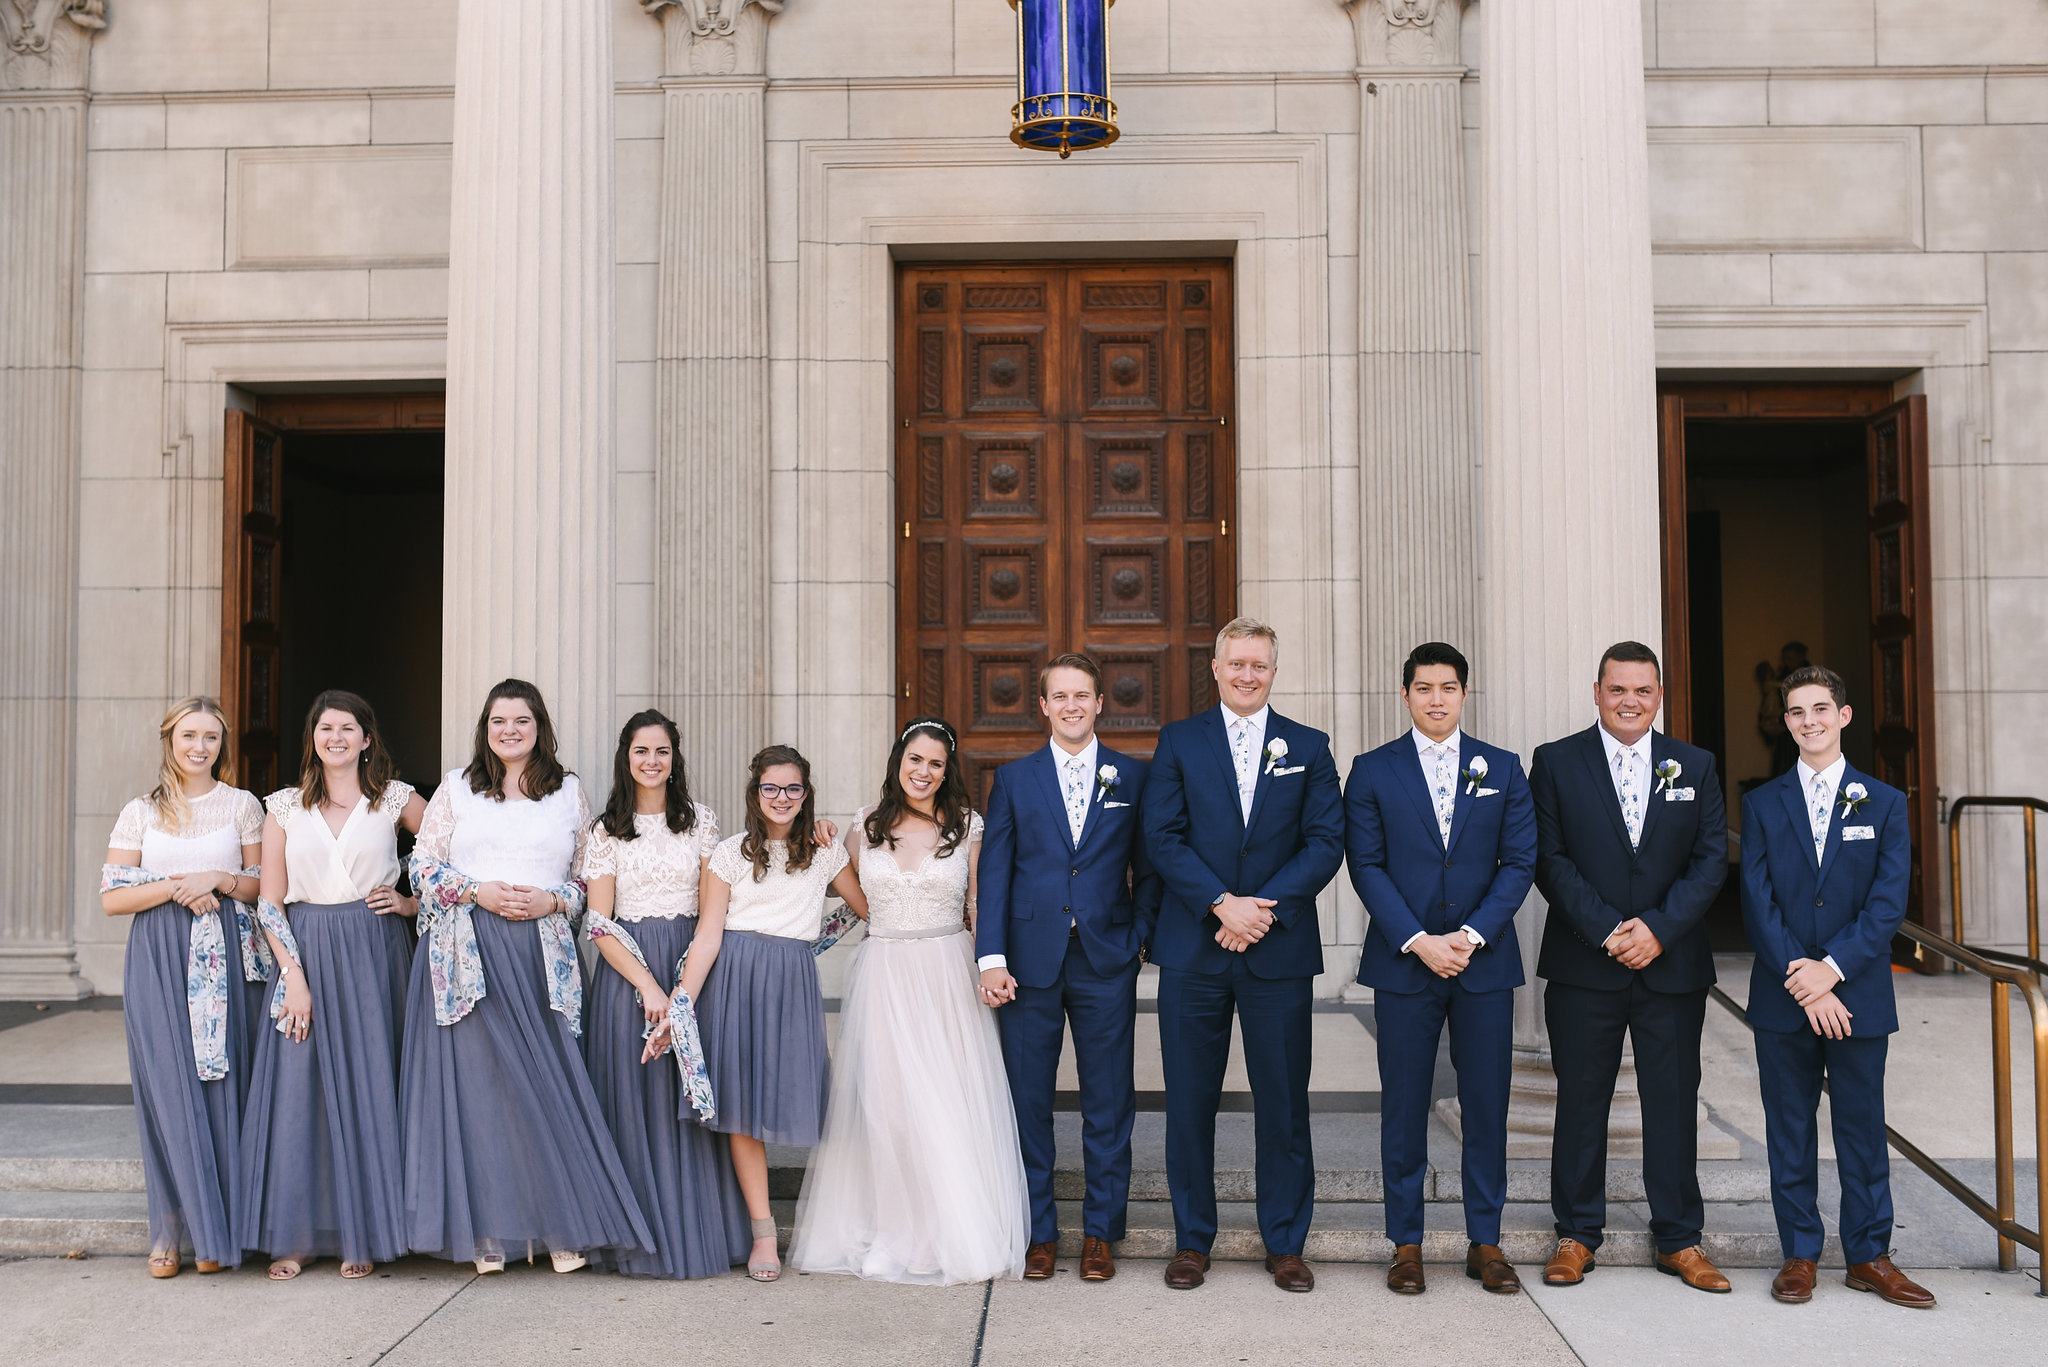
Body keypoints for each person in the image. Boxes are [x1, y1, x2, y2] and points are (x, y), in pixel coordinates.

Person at [400, 679, 653, 1275]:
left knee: (546, 1088)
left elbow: (590, 878)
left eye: (521, 720)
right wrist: (476, 890)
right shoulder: (457, 788)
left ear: (540, 726)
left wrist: (553, 902)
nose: (509, 730)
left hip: (543, 954)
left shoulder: (568, 792)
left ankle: (559, 1223)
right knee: (480, 1094)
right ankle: (488, 1230)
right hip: (467, 952)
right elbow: (423, 866)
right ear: (485, 728)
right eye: (498, 721)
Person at [1141, 618, 1344, 1293]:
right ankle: (1192, 1238)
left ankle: (1285, 1241)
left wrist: (1261, 909)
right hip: (1195, 948)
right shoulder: (1179, 741)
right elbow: (1162, 836)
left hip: (1277, 950)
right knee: (1190, 1101)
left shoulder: (1309, 747)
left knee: (1283, 1103)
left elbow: (1324, 841)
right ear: (1217, 668)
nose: (1247, 673)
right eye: (1237, 663)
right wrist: (1220, 902)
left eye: (1259, 664)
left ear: (1273, 670)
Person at [791, 717, 1029, 1284]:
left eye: (936, 763)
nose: (923, 772)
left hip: (945, 971)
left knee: (943, 1104)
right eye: (915, 760)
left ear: (948, 772)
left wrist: (991, 965)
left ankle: (944, 1232)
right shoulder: (863, 827)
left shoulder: (967, 826)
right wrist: (822, 844)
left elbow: (980, 902)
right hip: (884, 973)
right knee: (890, 1108)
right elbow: (848, 898)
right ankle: (897, 1228)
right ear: (898, 761)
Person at [1529, 644, 1729, 1293]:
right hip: (1586, 964)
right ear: (1597, 691)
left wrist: (1659, 930)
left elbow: (1708, 861)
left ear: (1659, 694)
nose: (1630, 700)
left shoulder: (1694, 764)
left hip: (1672, 968)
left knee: (1670, 1103)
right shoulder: (1556, 762)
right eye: (1618, 688)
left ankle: (1679, 1238)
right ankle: (1576, 1233)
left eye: (1643, 690)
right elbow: (1549, 859)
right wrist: (1611, 930)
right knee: (1580, 1102)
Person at [1740, 665, 1935, 1309]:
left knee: (1861, 1124)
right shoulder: (1762, 804)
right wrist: (1805, 979)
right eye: (1797, 712)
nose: (1810, 721)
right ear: (1786, 722)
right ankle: (1799, 1251)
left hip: (1857, 996)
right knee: (1788, 1125)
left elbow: (1887, 903)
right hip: (1784, 994)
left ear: (1843, 716)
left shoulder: (1883, 802)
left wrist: (1834, 972)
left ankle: (1869, 1255)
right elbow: (1758, 902)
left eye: (1821, 708)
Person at [1344, 642, 1535, 1296]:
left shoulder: (1503, 768)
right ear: (1405, 695)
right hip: (1405, 964)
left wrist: (1473, 934)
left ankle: (1487, 1240)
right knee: (1403, 1107)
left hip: (1483, 965)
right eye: (1423, 687)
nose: (1435, 698)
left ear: (1463, 693)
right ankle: (1407, 1242)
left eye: (1447, 687)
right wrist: (1420, 939)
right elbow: (1365, 866)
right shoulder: (1371, 771)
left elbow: (1519, 863)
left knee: (1487, 1105)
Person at [976, 656, 1161, 1283]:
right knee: (1027, 1100)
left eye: (1083, 695)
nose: (1073, 706)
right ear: (1044, 706)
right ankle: (1039, 1232)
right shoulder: (1014, 779)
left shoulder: (1134, 779)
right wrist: (992, 956)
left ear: (1101, 703)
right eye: (1061, 696)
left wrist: (1138, 937)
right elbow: (995, 872)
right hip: (1027, 964)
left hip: (1106, 958)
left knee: (1109, 1100)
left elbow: (1151, 868)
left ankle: (1103, 1233)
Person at [238, 691, 425, 1281]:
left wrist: (409, 902)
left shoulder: (397, 799)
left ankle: (362, 1233)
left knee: (373, 1085)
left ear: (368, 738)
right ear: (313, 738)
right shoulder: (285, 808)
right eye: (326, 728)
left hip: (375, 951)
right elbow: (269, 904)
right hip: (307, 950)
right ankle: (296, 1236)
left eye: (349, 728)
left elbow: (453, 866)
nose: (336, 737)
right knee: (303, 1092)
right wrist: (293, 978)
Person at [581, 710, 752, 1280]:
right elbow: (599, 922)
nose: (651, 762)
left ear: (675, 758)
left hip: (693, 966)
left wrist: (680, 991)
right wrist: (649, 986)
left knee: (688, 1102)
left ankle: (703, 1231)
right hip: (627, 974)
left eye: (661, 751)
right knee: (634, 1101)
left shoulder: (701, 823)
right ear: (624, 758)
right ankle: (635, 1237)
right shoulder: (605, 830)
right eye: (640, 751)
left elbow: (712, 913)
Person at [687, 744, 867, 1283]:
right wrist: (681, 1004)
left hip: (791, 979)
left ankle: (842, 1219)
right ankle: (764, 1234)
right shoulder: (728, 854)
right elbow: (708, 933)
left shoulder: (825, 855)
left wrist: (846, 842)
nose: (782, 797)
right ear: (755, 793)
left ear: (805, 794)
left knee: (796, 1095)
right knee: (742, 1107)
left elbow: (867, 908)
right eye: (771, 787)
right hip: (734, 979)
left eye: (793, 788)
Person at [102, 697, 266, 1278]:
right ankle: (169, 1233)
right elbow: (113, 898)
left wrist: (216, 880)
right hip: (158, 955)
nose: (200, 747)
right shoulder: (139, 812)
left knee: (226, 1085)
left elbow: (258, 887)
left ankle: (223, 1232)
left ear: (223, 745)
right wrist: (176, 886)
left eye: (212, 738)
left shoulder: (243, 805)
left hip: (224, 952)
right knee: (167, 1088)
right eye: (189, 736)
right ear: (170, 740)